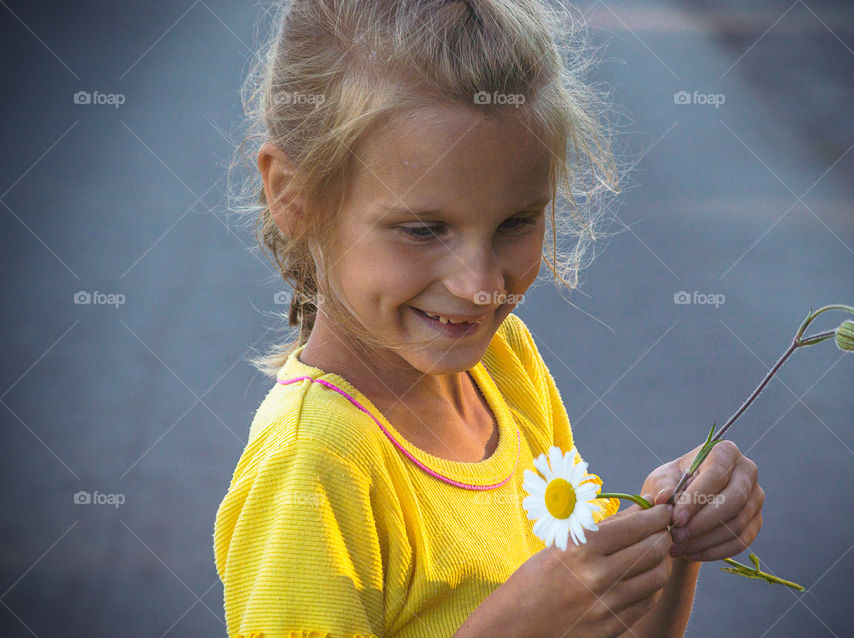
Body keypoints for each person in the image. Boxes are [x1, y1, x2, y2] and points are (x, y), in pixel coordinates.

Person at [213, 1, 765, 636]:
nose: (480, 288)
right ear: (292, 194)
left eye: (516, 223)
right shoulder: (313, 464)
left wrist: (674, 540)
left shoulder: (504, 366)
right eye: (423, 230)